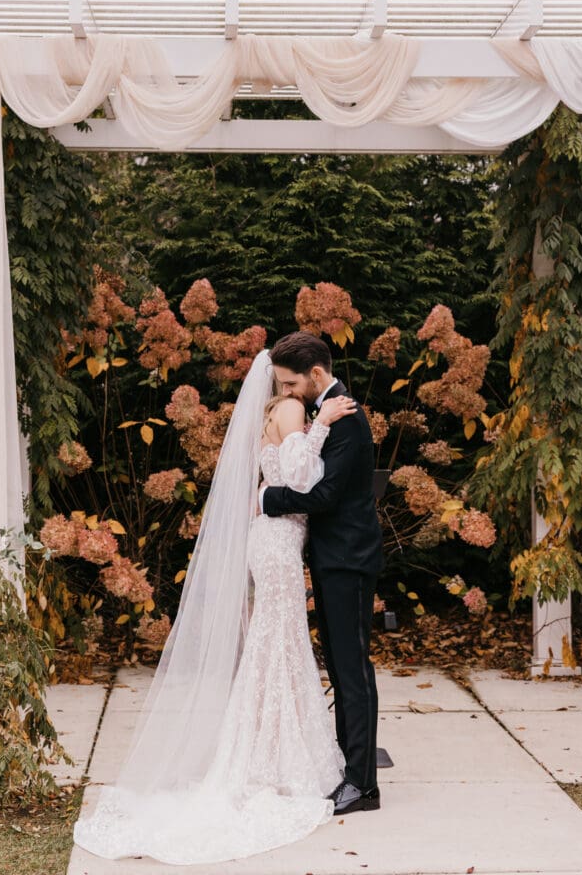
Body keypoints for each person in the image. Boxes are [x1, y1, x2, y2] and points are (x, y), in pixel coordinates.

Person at [72, 348, 358, 865]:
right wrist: (321, 427)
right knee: (280, 642)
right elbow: (300, 477)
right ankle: (272, 756)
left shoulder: (274, 412)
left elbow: (279, 475)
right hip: (277, 543)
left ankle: (266, 748)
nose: (290, 388)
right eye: (285, 381)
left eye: (290, 381)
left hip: (272, 539)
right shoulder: (294, 410)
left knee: (276, 642)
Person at [259, 331, 384, 816]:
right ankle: (348, 771)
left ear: (315, 374)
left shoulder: (346, 416)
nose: (286, 392)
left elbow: (324, 494)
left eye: (291, 384)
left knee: (353, 671)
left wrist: (267, 498)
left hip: (349, 560)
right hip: (332, 559)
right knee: (340, 667)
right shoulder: (324, 412)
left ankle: (363, 786)